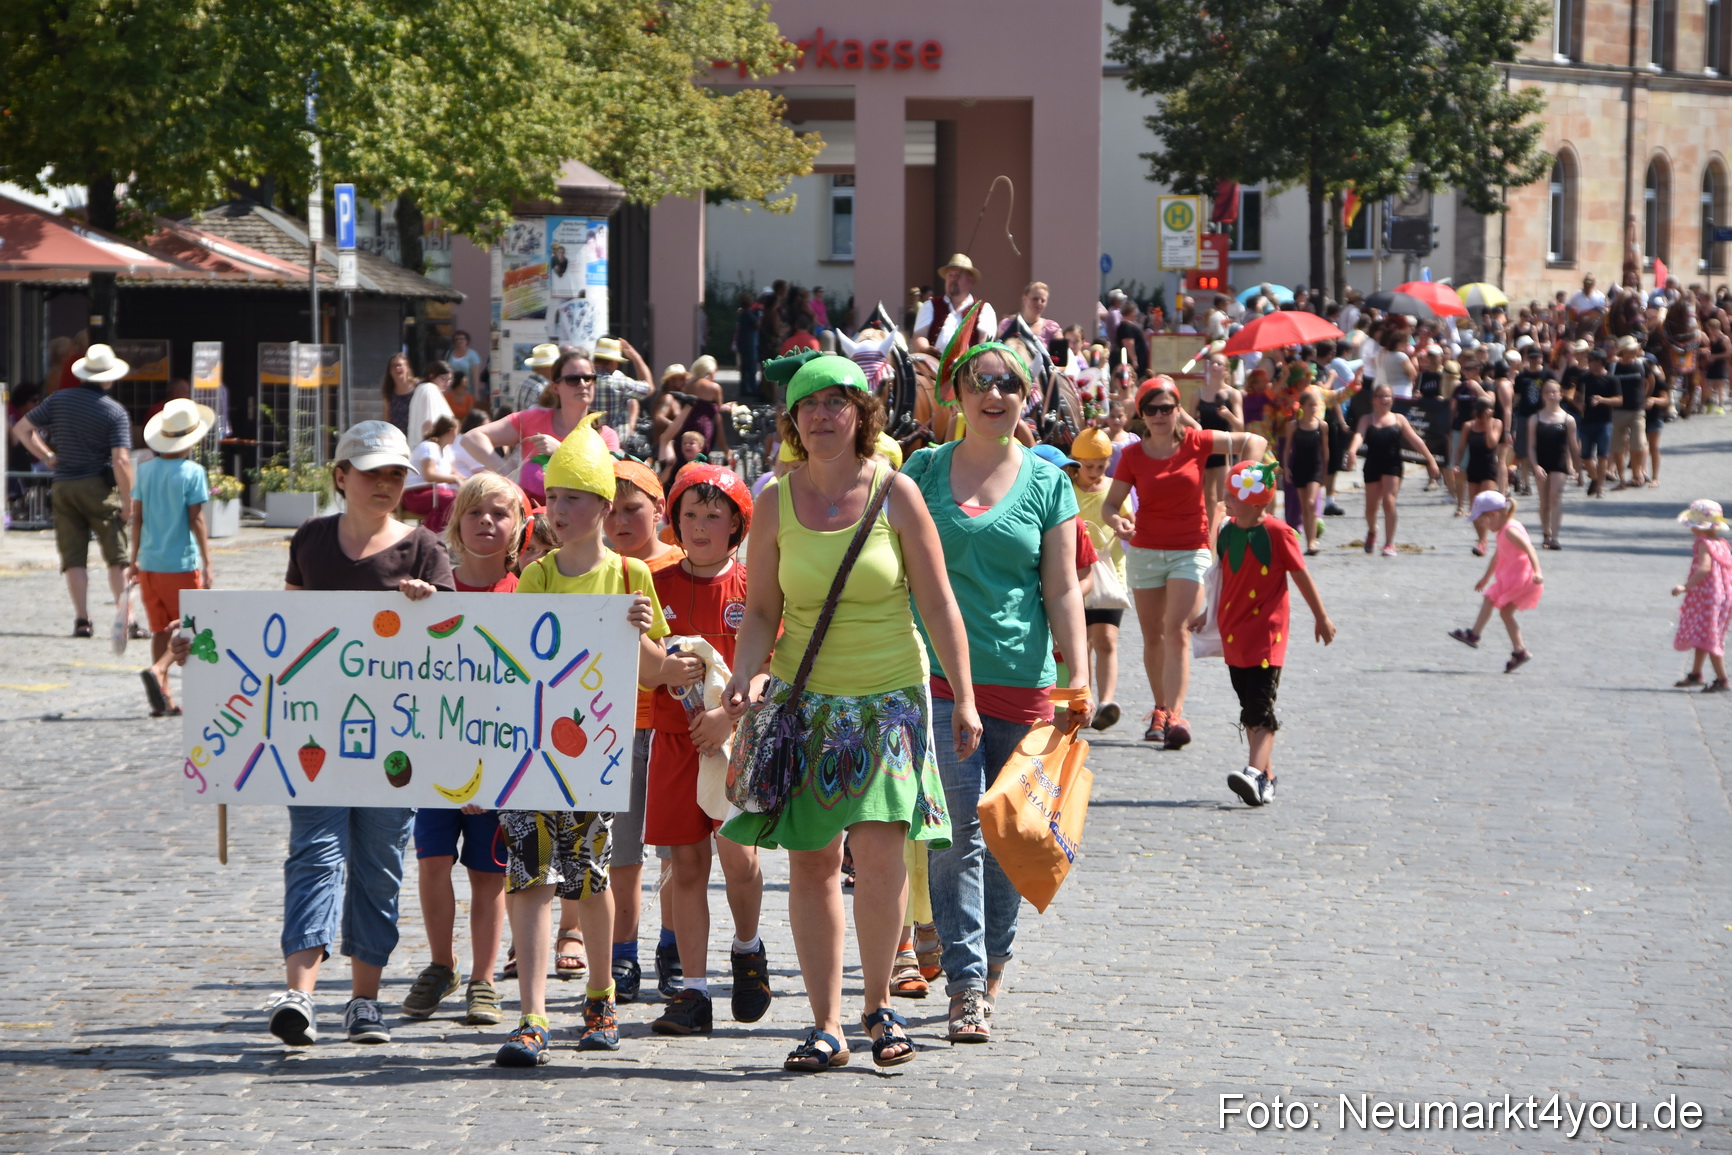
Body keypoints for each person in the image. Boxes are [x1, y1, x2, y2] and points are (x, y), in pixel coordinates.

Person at [720, 354, 975, 1073]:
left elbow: (937, 602)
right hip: (808, 702)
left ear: (862, 415)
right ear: (793, 421)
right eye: (810, 405)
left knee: (884, 853)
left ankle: (878, 1006)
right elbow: (763, 606)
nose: (824, 415)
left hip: (890, 698)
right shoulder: (773, 499)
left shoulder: (896, 493)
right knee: (812, 861)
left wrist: (966, 694)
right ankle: (827, 1023)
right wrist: (745, 677)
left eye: (838, 403)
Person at [901, 342, 1091, 1045]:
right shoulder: (921, 470)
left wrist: (1080, 676)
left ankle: (996, 952)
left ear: (1028, 396)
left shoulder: (1048, 483)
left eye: (1010, 383)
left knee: (1015, 835)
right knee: (957, 834)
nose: (995, 393)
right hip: (943, 682)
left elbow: (1063, 585)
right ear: (956, 391)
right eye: (982, 381)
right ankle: (966, 982)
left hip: (1027, 682)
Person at [495, 415, 694, 1067]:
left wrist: (649, 641)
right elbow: (514, 655)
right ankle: (532, 1014)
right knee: (529, 879)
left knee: (590, 876)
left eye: (572, 497)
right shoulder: (539, 574)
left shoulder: (632, 577)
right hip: (532, 751)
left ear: (605, 506)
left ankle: (600, 997)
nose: (558, 509)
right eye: (551, 498)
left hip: (596, 752)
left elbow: (653, 669)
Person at [251, 422, 456, 1047]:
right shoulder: (311, 539)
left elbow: (456, 654)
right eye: (373, 472)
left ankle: (364, 1000)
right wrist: (201, 650)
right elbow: (281, 631)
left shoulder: (425, 550)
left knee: (379, 866)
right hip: (315, 734)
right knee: (314, 856)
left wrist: (431, 610)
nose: (387, 484)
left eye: (397, 473)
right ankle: (301, 995)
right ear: (341, 476)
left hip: (397, 743)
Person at [647, 465, 772, 1037]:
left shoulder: (754, 586)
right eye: (689, 515)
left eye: (713, 515)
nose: (699, 527)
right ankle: (693, 991)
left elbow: (774, 667)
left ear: (737, 524)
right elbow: (635, 653)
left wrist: (729, 715)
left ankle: (748, 948)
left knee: (740, 860)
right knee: (686, 865)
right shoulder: (654, 581)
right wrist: (661, 666)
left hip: (737, 741)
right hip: (675, 743)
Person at [400, 473, 524, 1028]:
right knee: (431, 861)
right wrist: (414, 602)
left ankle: (483, 977)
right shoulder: (435, 590)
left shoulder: (527, 594)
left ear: (519, 525)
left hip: (497, 761)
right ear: (455, 524)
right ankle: (441, 964)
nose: (486, 523)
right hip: (433, 756)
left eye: (499, 513)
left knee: (487, 873)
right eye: (475, 513)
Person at [1104, 377, 1266, 749]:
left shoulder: (1198, 441)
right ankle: (1159, 708)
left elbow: (1254, 441)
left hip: (1190, 549)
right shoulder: (1132, 456)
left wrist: (1246, 480)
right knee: (1152, 635)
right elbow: (1111, 504)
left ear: (1179, 410)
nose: (1159, 415)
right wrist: (1118, 522)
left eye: (1166, 408)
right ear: (1141, 415)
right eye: (1151, 409)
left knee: (1177, 628)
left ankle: (1176, 715)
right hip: (1145, 550)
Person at [593, 457, 688, 1002]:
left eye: (634, 510)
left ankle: (672, 947)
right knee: (620, 852)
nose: (621, 523)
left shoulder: (680, 563)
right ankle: (623, 953)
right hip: (616, 724)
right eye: (612, 512)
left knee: (676, 852)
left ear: (658, 510)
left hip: (674, 726)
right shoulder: (597, 566)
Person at [1197, 460, 1335, 807]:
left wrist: (1321, 616)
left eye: (1233, 494)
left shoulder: (1278, 533)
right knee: (1248, 707)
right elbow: (1220, 580)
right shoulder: (1227, 531)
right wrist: (1205, 615)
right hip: (1234, 632)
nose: (1225, 498)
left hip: (1266, 634)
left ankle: (1254, 773)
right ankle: (1266, 780)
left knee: (1261, 706)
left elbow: (1301, 576)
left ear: (1257, 501)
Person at [12, 342, 135, 637]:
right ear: (108, 377)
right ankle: (126, 621)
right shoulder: (114, 412)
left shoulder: (59, 400)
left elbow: (21, 430)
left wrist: (47, 457)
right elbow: (120, 460)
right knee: (117, 557)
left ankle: (82, 620)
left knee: (74, 558)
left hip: (64, 485)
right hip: (98, 486)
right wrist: (129, 502)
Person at [128, 397, 214, 717]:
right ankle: (160, 669)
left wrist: (132, 559)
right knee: (190, 627)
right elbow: (196, 520)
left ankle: (164, 699)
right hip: (181, 563)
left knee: (160, 629)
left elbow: (137, 518)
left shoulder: (145, 470)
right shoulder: (193, 472)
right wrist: (208, 562)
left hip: (149, 564)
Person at [461, 350, 617, 505]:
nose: (583, 384)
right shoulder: (533, 418)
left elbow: (608, 475)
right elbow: (471, 439)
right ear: (555, 387)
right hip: (532, 521)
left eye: (589, 378)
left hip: (580, 521)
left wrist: (560, 452)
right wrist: (508, 475)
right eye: (572, 379)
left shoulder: (605, 434)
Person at [1068, 428, 1128, 731]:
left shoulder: (1115, 488)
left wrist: (1127, 526)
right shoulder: (1066, 489)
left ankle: (1107, 702)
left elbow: (1127, 517)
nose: (1095, 472)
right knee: (1083, 642)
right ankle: (1086, 702)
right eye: (1089, 466)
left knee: (1105, 639)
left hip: (1108, 575)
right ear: (1076, 463)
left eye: (1102, 466)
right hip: (1076, 575)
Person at [1448, 491, 1543, 673]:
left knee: (1491, 598)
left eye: (1483, 521)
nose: (1482, 525)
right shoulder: (1504, 531)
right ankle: (1519, 651)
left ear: (1493, 515)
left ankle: (1474, 634)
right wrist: (1485, 578)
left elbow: (1530, 548)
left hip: (1520, 578)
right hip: (1517, 577)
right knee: (1505, 613)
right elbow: (1497, 557)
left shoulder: (1510, 531)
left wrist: (1538, 571)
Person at [1343, 383, 1441, 558]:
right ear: (1374, 400)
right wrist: (1352, 450)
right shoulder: (1367, 419)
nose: (1385, 400)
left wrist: (1431, 459)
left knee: (1389, 501)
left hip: (1392, 464)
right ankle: (1372, 531)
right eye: (1381, 396)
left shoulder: (1399, 419)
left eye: (1388, 396)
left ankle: (1389, 543)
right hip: (1373, 464)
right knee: (1370, 508)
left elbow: (1415, 440)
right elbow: (1359, 435)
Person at [1671, 499, 1732, 692]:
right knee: (1703, 633)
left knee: (1711, 637)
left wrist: (1685, 586)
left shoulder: (1703, 543)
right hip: (1724, 596)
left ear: (1699, 527)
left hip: (1709, 598)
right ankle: (1696, 673)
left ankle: (1722, 679)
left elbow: (1704, 568)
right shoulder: (1722, 543)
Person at [1526, 380, 1581, 550]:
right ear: (1543, 395)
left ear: (1560, 394)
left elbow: (1573, 445)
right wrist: (1535, 466)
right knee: (1544, 502)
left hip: (1559, 461)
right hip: (1541, 461)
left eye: (1554, 392)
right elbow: (1531, 446)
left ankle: (1555, 537)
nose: (1551, 395)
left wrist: (1577, 469)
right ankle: (1546, 532)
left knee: (1555, 497)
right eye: (1548, 392)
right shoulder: (1535, 418)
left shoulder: (1568, 419)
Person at [1194, 351, 1244, 537]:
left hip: (1224, 448)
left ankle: (1224, 530)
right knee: (1208, 495)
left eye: (1219, 364)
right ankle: (1209, 535)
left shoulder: (1233, 394)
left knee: (1225, 494)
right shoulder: (1198, 394)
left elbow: (1241, 425)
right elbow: (1190, 423)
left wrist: (1228, 415)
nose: (1214, 367)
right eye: (1212, 363)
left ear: (1226, 370)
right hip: (1205, 447)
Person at [914, 254, 998, 355]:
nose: (952, 279)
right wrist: (926, 349)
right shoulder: (930, 306)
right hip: (934, 365)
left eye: (957, 275)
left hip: (968, 367)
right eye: (950, 275)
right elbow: (919, 336)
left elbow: (986, 341)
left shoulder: (984, 309)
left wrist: (973, 359)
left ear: (970, 280)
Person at [1281, 387, 1328, 555]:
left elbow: (1325, 450)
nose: (1313, 408)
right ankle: (1308, 541)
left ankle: (1312, 541)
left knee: (1310, 503)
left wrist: (1325, 472)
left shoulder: (1322, 426)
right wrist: (1286, 467)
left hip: (1315, 467)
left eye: (1315, 405)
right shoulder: (1294, 426)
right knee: (1303, 505)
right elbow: (1287, 449)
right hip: (1298, 466)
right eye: (1310, 405)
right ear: (1302, 406)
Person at [401, 415, 461, 533]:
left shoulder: (445, 451)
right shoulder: (429, 447)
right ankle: (433, 534)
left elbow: (455, 473)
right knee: (451, 500)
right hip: (415, 495)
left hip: (433, 493)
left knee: (464, 499)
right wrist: (455, 479)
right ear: (452, 431)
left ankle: (440, 534)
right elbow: (429, 475)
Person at [1461, 397, 1505, 554]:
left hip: (1488, 467)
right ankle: (1481, 539)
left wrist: (1487, 423)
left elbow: (1491, 443)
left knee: (1485, 503)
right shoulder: (1468, 425)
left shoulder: (1496, 423)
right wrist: (1456, 464)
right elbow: (1461, 447)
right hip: (1473, 466)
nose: (1480, 418)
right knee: (1475, 506)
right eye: (1479, 415)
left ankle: (1482, 541)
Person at [1511, 344, 1554, 496]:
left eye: (1537, 357)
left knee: (1544, 449)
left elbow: (1554, 396)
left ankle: (1544, 481)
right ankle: (1525, 483)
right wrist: (1511, 414)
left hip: (1543, 416)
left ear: (1541, 358)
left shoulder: (1548, 375)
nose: (1535, 360)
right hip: (1525, 415)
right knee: (1523, 451)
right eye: (1532, 357)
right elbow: (1516, 398)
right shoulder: (1521, 377)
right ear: (1527, 359)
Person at [1609, 335, 1649, 489]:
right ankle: (1621, 479)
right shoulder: (1613, 367)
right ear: (1623, 351)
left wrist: (1644, 397)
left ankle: (1636, 473)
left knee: (1637, 443)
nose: (1634, 352)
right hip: (1617, 411)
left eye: (1634, 349)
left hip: (1636, 410)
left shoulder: (1641, 365)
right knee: (1617, 447)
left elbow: (1649, 381)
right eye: (1630, 350)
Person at [591, 336, 653, 435]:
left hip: (586, 440)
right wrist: (636, 357)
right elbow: (649, 388)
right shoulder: (620, 382)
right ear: (613, 362)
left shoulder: (582, 380)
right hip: (613, 443)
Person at [1578, 348, 1620, 496]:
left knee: (1602, 455)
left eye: (1593, 361)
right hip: (1587, 420)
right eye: (1589, 361)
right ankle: (1595, 478)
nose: (1590, 364)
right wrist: (1578, 404)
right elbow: (1577, 396)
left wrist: (1602, 400)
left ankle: (1600, 487)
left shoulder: (1611, 379)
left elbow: (1619, 400)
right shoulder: (1584, 378)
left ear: (1601, 362)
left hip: (1604, 421)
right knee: (1586, 456)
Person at [998, 281, 1062, 346]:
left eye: (1043, 300)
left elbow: (1060, 355)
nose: (1039, 303)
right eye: (1035, 299)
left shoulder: (1051, 329)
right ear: (1025, 299)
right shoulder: (1007, 325)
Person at [380, 353, 418, 435]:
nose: (397, 368)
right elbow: (387, 419)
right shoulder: (389, 393)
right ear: (389, 371)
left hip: (416, 437)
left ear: (407, 367)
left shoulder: (418, 387)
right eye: (393, 366)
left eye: (400, 365)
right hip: (397, 438)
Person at [447, 330, 485, 405]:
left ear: (467, 341)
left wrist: (476, 392)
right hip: (451, 389)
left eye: (461, 339)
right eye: (456, 339)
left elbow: (475, 375)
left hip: (467, 390)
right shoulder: (449, 353)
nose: (459, 341)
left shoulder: (472, 355)